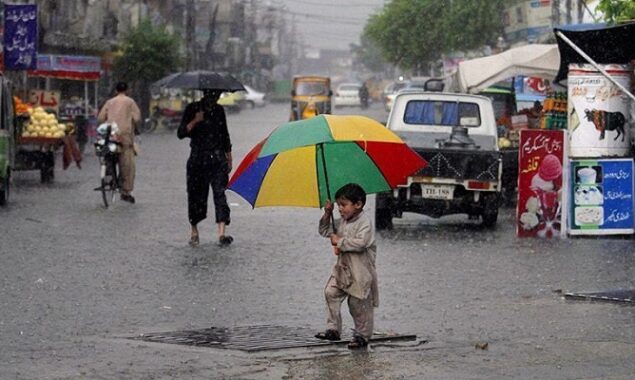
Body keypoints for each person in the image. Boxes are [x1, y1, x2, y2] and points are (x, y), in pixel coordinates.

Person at [315, 183, 379, 349]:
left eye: (343, 205)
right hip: (343, 270)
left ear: (358, 204)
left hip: (360, 272)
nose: (340, 210)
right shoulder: (341, 222)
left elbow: (361, 243)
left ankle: (362, 335)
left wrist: (340, 241)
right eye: (338, 206)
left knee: (358, 304)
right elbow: (324, 230)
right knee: (331, 292)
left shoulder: (365, 222)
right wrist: (327, 213)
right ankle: (333, 328)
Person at [177, 89, 233, 247]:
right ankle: (194, 231)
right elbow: (181, 133)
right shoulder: (192, 109)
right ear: (206, 95)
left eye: (218, 96)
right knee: (195, 196)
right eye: (213, 95)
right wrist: (195, 121)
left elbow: (224, 134)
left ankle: (221, 233)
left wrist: (229, 156)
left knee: (220, 194)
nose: (215, 98)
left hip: (217, 159)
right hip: (197, 159)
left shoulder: (219, 110)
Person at [97, 82, 141, 203]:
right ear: (127, 90)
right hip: (125, 138)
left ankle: (108, 176)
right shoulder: (130, 102)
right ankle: (126, 192)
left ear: (116, 91)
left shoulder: (109, 102)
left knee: (108, 157)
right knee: (128, 166)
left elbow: (100, 118)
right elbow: (137, 118)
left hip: (110, 137)